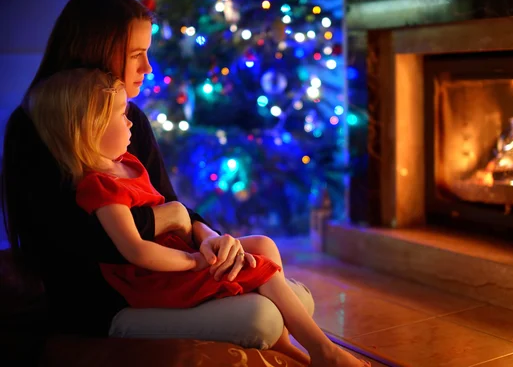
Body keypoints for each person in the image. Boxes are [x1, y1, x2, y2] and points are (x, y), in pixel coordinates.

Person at [2, 0, 314, 351]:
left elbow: (167, 200)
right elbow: (80, 240)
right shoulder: (37, 127)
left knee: (285, 292)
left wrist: (208, 237)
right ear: (96, 50)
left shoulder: (130, 118)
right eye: (135, 54)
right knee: (266, 315)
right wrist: (169, 220)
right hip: (105, 302)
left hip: (165, 275)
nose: (147, 68)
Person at [29, 68, 369, 366]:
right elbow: (136, 251)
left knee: (262, 245)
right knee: (263, 275)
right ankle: (321, 349)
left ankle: (287, 349)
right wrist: (194, 261)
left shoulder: (130, 164)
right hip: (153, 278)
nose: (131, 121)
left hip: (178, 256)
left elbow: (176, 214)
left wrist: (204, 244)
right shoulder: (99, 188)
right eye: (121, 115)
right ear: (89, 128)